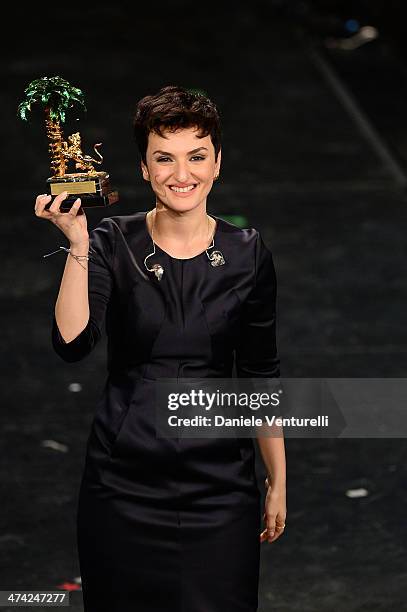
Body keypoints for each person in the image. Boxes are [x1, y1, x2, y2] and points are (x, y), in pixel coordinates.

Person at [35, 85, 287, 612]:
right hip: (123, 487)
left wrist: (277, 481)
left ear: (217, 162)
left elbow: (261, 375)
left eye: (197, 156)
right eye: (164, 159)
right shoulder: (110, 241)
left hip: (219, 488)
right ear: (145, 170)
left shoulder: (249, 254)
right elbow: (72, 344)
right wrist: (77, 246)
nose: (182, 174)